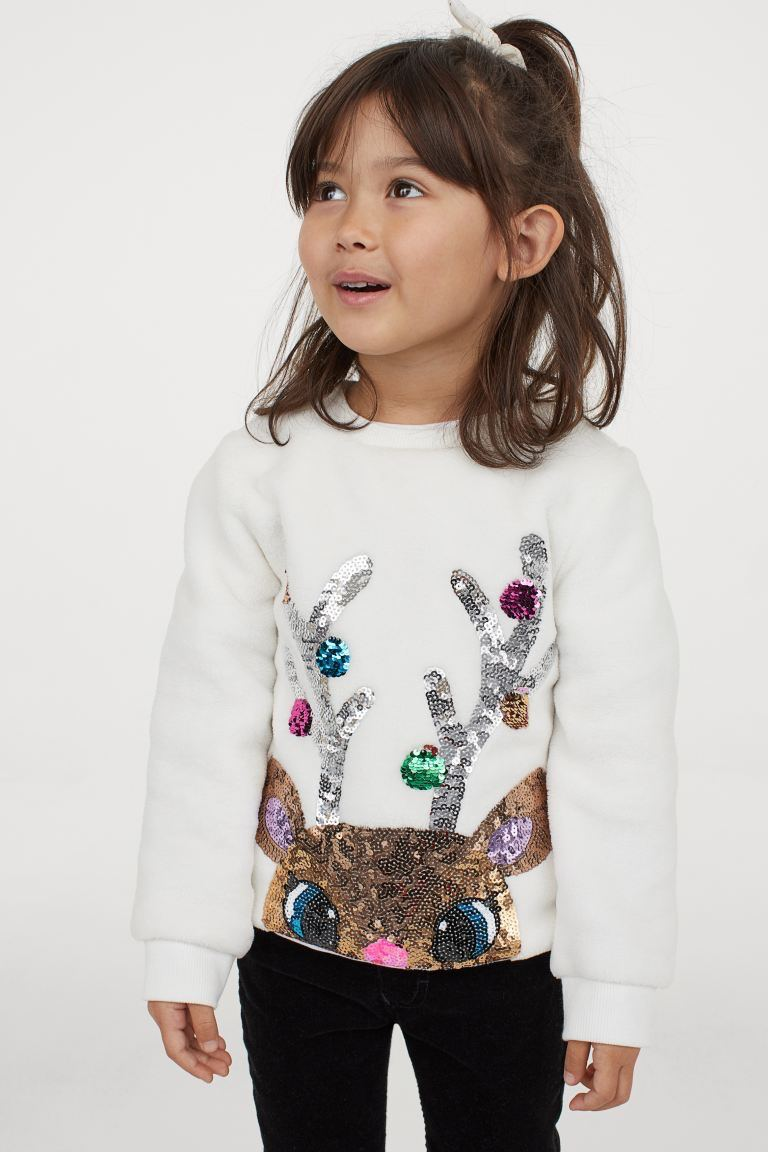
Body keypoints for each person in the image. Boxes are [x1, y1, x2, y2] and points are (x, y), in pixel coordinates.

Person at [129, 3, 680, 1149]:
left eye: (405, 188)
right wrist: (183, 939)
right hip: (298, 940)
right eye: (328, 188)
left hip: (501, 955)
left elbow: (619, 754)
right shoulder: (261, 471)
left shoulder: (586, 489)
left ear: (522, 241)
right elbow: (203, 718)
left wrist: (615, 983)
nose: (351, 227)